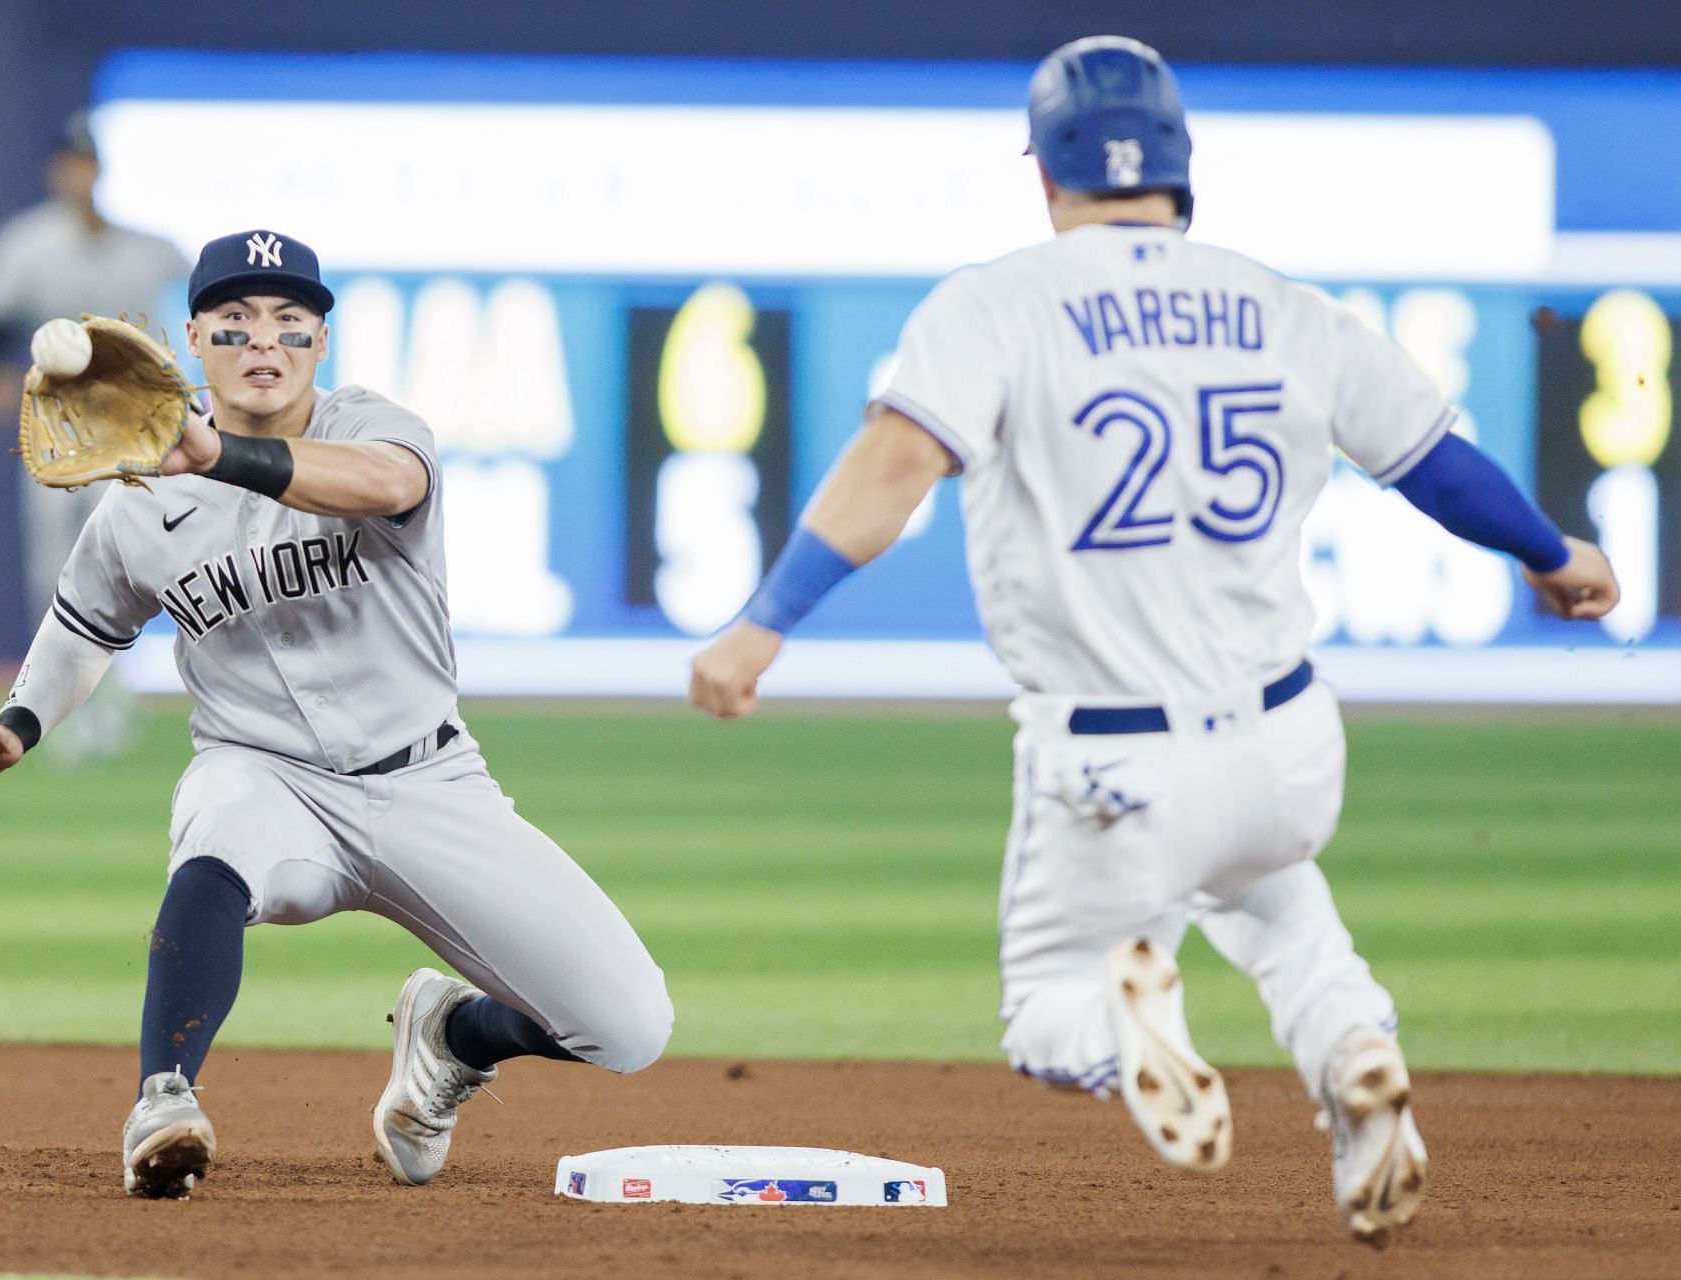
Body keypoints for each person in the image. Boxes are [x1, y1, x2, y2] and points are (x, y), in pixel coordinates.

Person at [689, 36, 1618, 1245]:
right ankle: (1354, 1055)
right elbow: (1435, 464)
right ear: (1182, 167)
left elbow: (898, 461)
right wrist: (1553, 552)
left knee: (1047, 1006)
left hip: (1114, 757)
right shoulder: (1285, 307)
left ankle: (1128, 1037)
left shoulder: (996, 303)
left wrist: (766, 622)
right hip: (1288, 740)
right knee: (1281, 905)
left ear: (1046, 176)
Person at [0, 229, 673, 1199]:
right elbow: (85, 624)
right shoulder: (141, 499)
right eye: (233, 325)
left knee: (627, 1025)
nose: (263, 342)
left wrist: (219, 453)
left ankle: (451, 1034)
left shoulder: (375, 426)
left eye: (290, 321)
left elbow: (389, 485)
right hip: (263, 773)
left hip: (425, 780)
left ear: (322, 341)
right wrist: (16, 726)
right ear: (192, 339)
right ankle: (163, 1096)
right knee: (216, 835)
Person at [0, 112, 191, 763]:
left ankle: (108, 696)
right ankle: (60, 700)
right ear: (55, 172)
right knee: (51, 571)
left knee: (119, 566)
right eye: (69, 163)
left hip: (128, 427)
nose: (78, 174)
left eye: (87, 163)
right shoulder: (26, 245)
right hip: (56, 429)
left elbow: (198, 300)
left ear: (98, 171)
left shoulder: (149, 248)